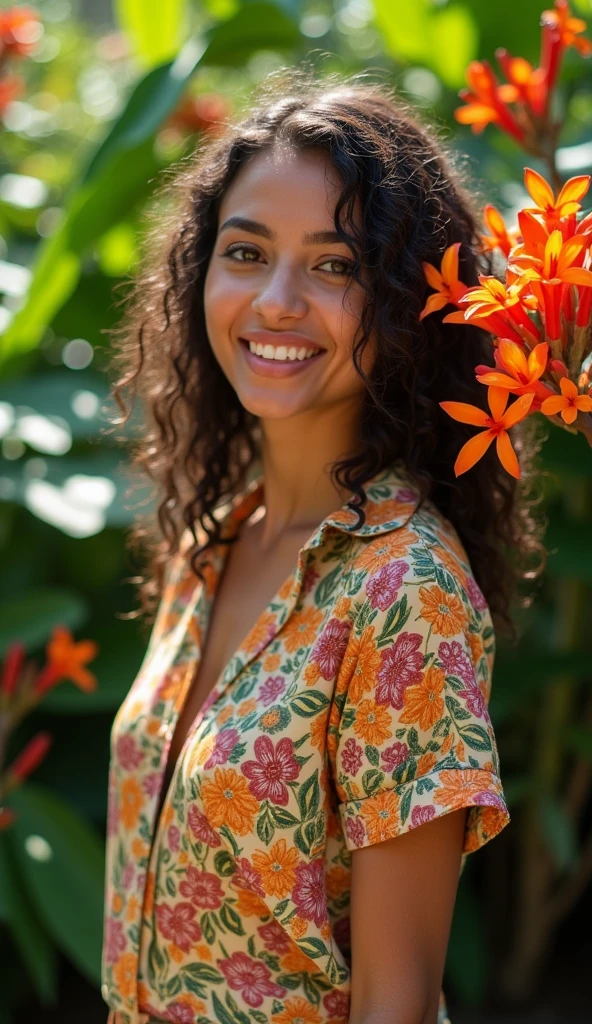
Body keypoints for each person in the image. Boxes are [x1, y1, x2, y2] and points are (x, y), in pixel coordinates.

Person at [100, 69, 540, 1024]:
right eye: (246, 252)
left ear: (408, 302)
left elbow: (397, 1000)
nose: (278, 300)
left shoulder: (404, 590)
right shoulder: (213, 539)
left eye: (336, 265)